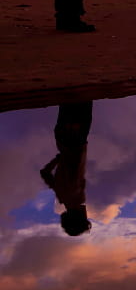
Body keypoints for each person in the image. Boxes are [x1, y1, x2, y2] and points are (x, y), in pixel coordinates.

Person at [40, 101, 93, 236]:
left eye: (85, 218)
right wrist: (59, 158)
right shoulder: (63, 196)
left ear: (80, 217)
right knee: (67, 100)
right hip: (66, 139)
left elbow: (75, 164)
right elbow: (45, 173)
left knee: (84, 98)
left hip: (74, 138)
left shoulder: (74, 194)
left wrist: (73, 134)